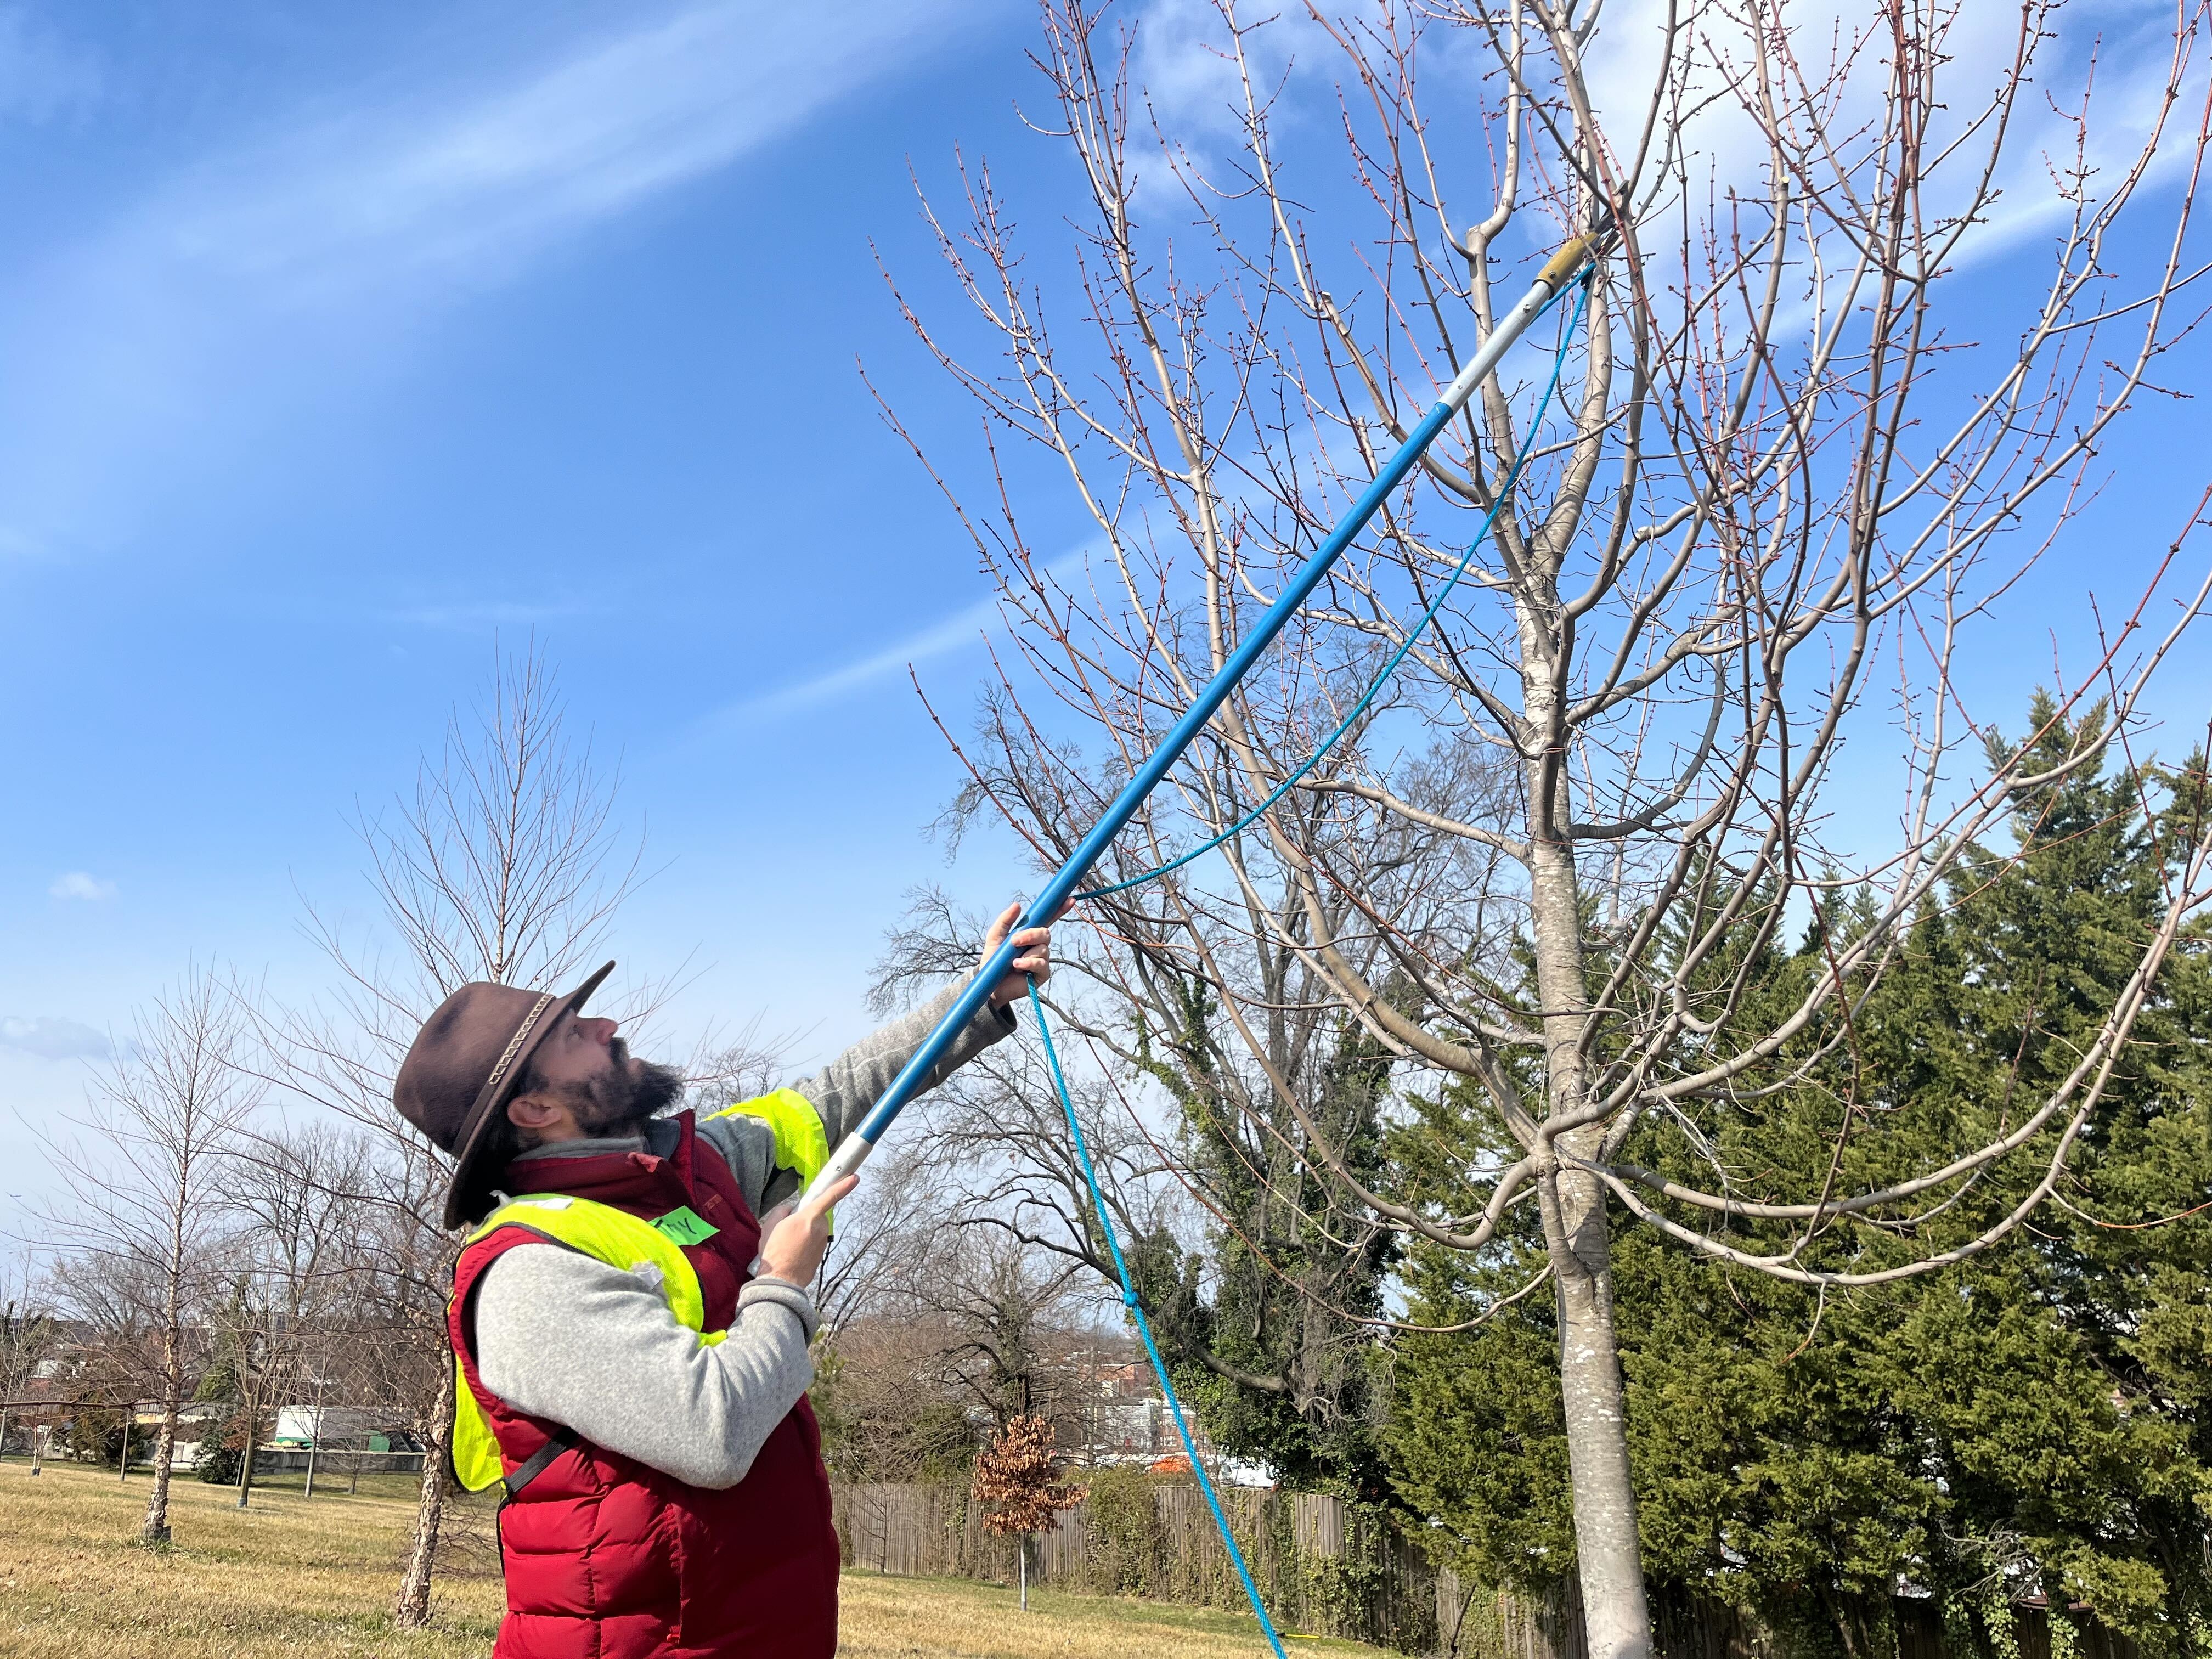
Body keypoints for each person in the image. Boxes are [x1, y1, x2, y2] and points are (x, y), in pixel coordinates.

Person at [391, 903, 1058, 1659]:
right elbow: (714, 1432)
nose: (607, 1026)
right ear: (536, 1108)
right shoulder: (528, 1272)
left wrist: (980, 994)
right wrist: (782, 1280)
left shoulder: (693, 1169)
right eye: (574, 1036)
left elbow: (839, 1093)